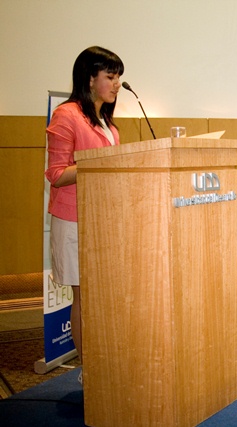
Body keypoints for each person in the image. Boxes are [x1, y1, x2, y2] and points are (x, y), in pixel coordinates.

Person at [45, 46, 124, 375]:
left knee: (102, 296)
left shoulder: (108, 124)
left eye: (119, 77)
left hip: (104, 220)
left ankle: (105, 363)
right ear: (90, 79)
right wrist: (99, 164)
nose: (117, 84)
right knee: (85, 297)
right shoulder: (67, 115)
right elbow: (56, 174)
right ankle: (90, 372)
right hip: (75, 220)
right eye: (110, 76)